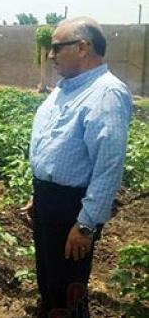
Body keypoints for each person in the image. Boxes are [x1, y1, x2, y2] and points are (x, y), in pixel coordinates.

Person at [21, 17, 132, 317]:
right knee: (48, 281)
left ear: (83, 47)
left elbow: (108, 165)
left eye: (57, 48)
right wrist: (39, 195)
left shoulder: (106, 92)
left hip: (73, 207)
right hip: (48, 199)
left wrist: (86, 224)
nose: (51, 55)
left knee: (67, 290)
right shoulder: (64, 88)